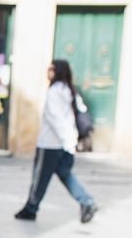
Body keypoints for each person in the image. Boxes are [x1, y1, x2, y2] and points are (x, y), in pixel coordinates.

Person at [14, 60, 97, 224]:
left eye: (51, 68)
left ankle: (31, 207)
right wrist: (70, 142)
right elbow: (80, 111)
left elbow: (55, 118)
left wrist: (67, 141)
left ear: (57, 71)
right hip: (65, 144)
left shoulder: (54, 91)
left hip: (50, 144)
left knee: (40, 177)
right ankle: (86, 201)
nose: (48, 71)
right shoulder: (70, 91)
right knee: (65, 175)